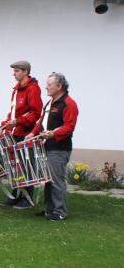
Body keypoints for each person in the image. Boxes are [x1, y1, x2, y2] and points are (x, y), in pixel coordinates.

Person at [27, 72, 78, 221]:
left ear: (59, 86)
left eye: (49, 85)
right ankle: (49, 210)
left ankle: (60, 212)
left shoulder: (69, 103)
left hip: (59, 148)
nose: (46, 87)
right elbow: (41, 121)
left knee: (56, 181)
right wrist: (32, 133)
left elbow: (69, 127)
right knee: (48, 180)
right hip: (47, 147)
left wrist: (53, 134)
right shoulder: (50, 103)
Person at [0, 61, 43, 209]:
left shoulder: (32, 89)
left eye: (17, 71)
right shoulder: (16, 90)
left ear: (25, 72)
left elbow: (36, 113)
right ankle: (16, 195)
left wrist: (18, 121)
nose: (14, 74)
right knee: (16, 166)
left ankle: (27, 199)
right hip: (16, 132)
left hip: (26, 133)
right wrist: (4, 125)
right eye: (14, 71)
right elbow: (13, 112)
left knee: (26, 166)